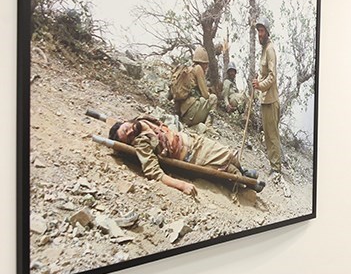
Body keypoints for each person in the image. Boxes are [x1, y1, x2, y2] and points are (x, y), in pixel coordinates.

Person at [108, 115, 262, 195]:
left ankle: (243, 173)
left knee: (230, 155)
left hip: (193, 140)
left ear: (124, 122)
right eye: (127, 137)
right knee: (227, 162)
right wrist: (181, 185)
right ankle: (247, 184)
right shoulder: (141, 143)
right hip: (192, 155)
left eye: (125, 129)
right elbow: (154, 173)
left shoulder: (141, 119)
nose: (129, 132)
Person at [254, 19, 283, 184]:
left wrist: (260, 86)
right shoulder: (264, 50)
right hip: (265, 100)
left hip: (271, 100)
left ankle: (276, 169)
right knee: (269, 134)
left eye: (262, 31)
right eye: (258, 31)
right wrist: (257, 80)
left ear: (267, 32)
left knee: (272, 136)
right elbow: (264, 74)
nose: (260, 34)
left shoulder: (270, 49)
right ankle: (274, 165)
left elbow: (272, 76)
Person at [170, 45, 218, 128]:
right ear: (204, 63)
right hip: (191, 115)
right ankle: (208, 126)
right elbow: (205, 95)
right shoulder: (198, 68)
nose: (206, 67)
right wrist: (209, 93)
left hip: (183, 114)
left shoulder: (188, 69)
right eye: (206, 64)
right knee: (213, 98)